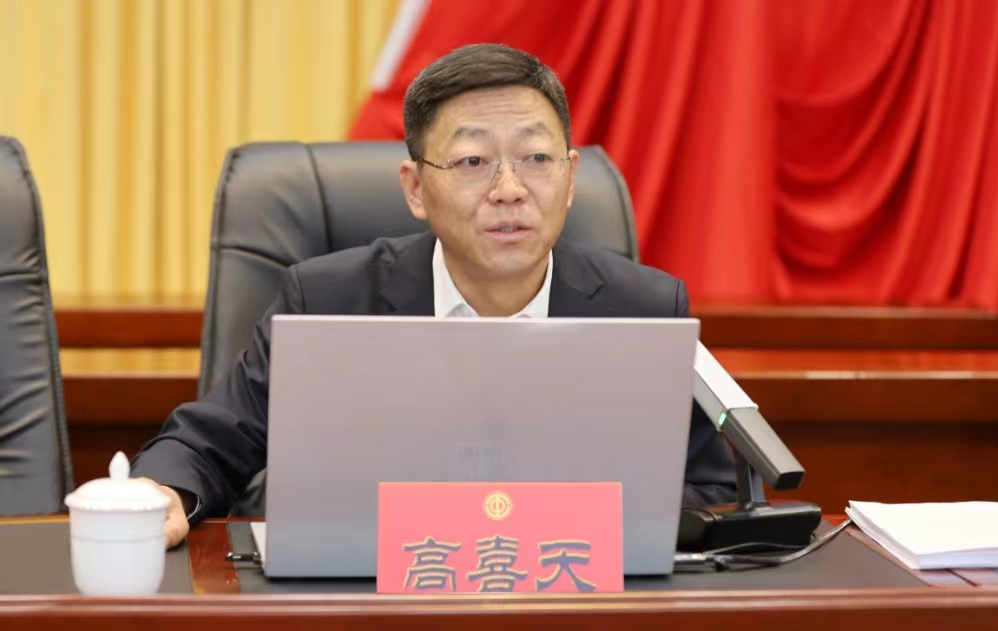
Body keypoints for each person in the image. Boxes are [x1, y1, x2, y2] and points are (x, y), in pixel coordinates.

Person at [132, 43, 737, 548]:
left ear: (571, 178)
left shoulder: (643, 310)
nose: (509, 189)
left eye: (535, 158)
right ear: (416, 189)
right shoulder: (328, 300)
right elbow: (207, 442)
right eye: (473, 160)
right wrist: (163, 493)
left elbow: (711, 494)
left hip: (571, 592)